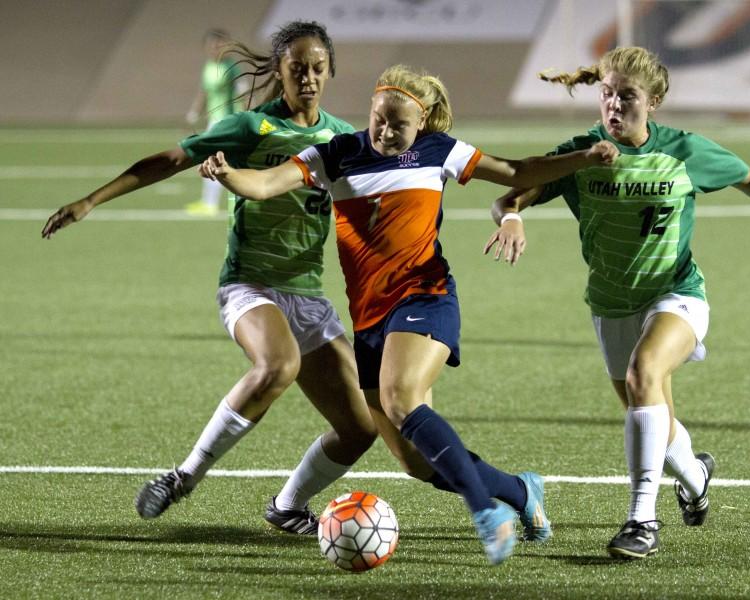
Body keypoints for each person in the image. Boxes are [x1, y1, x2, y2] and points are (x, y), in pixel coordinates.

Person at [198, 63, 619, 564]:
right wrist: (229, 175)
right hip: (370, 319)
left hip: (425, 296)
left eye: (399, 124)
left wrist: (584, 158)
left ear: (422, 125)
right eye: (379, 119)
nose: (385, 131)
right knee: (416, 461)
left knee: (400, 397)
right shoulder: (338, 153)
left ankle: (486, 510)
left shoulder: (439, 151)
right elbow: (267, 183)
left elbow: (516, 172)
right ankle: (520, 492)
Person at [41, 21, 378, 535]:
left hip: (307, 293)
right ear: (279, 71)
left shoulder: (342, 139)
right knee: (277, 365)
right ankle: (183, 476)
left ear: (330, 71)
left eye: (317, 68)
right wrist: (92, 199)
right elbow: (171, 159)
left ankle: (287, 507)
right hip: (250, 284)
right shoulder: (250, 129)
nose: (307, 78)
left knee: (359, 428)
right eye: (297, 68)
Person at [483, 46, 750, 560]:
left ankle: (642, 520)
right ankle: (696, 476)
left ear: (654, 102)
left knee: (644, 377)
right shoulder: (582, 153)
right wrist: (510, 217)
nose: (615, 106)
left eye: (628, 97)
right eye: (608, 94)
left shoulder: (683, 151)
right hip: (611, 302)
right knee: (651, 416)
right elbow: (512, 192)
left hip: (677, 293)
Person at [184, 29, 241, 216]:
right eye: (213, 45)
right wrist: (194, 112)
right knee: (218, 161)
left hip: (228, 121)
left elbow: (243, 93)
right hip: (214, 121)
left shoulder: (232, 67)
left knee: (217, 161)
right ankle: (208, 203)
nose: (216, 49)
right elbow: (205, 92)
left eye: (220, 45)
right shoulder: (208, 67)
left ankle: (210, 204)